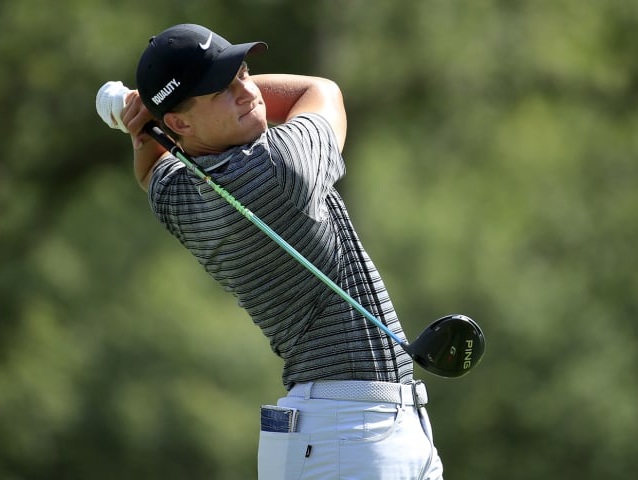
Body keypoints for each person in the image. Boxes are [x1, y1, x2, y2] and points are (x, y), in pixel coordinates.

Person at [110, 23, 444, 479]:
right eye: (221, 90)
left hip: (350, 433)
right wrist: (149, 115)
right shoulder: (279, 168)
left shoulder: (181, 198)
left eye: (243, 73)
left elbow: (151, 169)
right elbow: (319, 90)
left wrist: (152, 117)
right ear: (180, 123)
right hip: (349, 436)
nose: (247, 92)